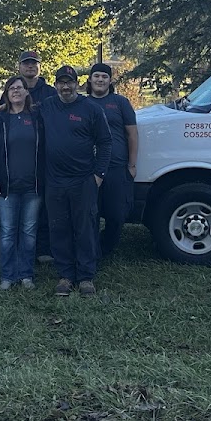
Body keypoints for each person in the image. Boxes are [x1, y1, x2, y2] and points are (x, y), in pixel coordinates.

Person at [39, 65, 111, 296]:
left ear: (78, 84)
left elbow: (105, 142)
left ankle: (86, 277)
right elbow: (19, 109)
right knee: (59, 228)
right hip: (55, 181)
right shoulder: (47, 106)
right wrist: (2, 106)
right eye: (61, 82)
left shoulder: (90, 109)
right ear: (56, 84)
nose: (66, 86)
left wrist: (99, 174)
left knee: (85, 228)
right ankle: (65, 275)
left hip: (83, 180)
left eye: (70, 82)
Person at [0, 76, 42, 291]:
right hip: (6, 187)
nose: (16, 91)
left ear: (27, 92)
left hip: (32, 187)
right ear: (6, 93)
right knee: (7, 232)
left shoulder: (37, 117)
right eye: (12, 88)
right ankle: (7, 276)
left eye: (20, 88)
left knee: (28, 232)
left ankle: (26, 275)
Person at [86, 63, 139, 256]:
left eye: (104, 77)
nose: (100, 80)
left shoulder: (120, 102)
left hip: (116, 167)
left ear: (110, 81)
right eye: (96, 76)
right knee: (90, 214)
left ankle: (106, 246)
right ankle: (93, 252)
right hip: (89, 169)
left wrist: (131, 164)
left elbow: (132, 134)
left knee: (117, 215)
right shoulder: (82, 103)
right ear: (90, 79)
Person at [17, 49, 56, 263]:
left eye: (34, 63)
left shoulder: (50, 92)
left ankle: (43, 248)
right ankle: (20, 248)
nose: (30, 66)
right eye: (26, 63)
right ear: (20, 67)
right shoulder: (15, 89)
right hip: (22, 155)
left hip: (47, 154)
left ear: (40, 67)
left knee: (45, 204)